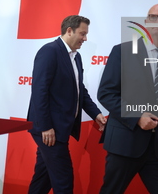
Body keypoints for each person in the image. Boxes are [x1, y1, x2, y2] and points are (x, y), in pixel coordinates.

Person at [98, 4, 158, 194]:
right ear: (146, 22)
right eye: (154, 17)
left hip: (156, 148)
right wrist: (137, 117)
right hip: (125, 143)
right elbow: (106, 93)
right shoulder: (122, 51)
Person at [27, 15, 107, 194]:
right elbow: (39, 91)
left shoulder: (76, 57)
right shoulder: (49, 51)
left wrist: (96, 114)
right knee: (64, 182)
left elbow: (80, 91)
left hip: (60, 129)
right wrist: (46, 127)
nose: (85, 38)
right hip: (49, 131)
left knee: (43, 179)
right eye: (82, 33)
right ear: (69, 31)